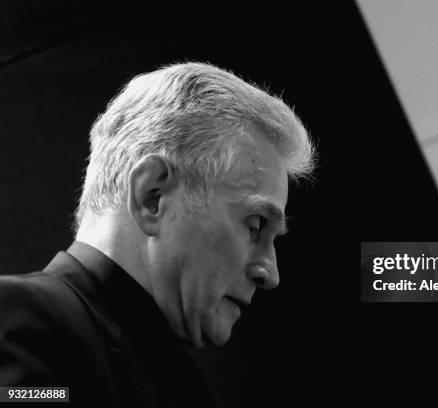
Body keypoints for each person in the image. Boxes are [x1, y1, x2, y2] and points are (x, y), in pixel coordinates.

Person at [0, 62, 315, 407]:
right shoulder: (16, 316)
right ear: (153, 195)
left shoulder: (178, 381)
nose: (270, 274)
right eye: (255, 226)